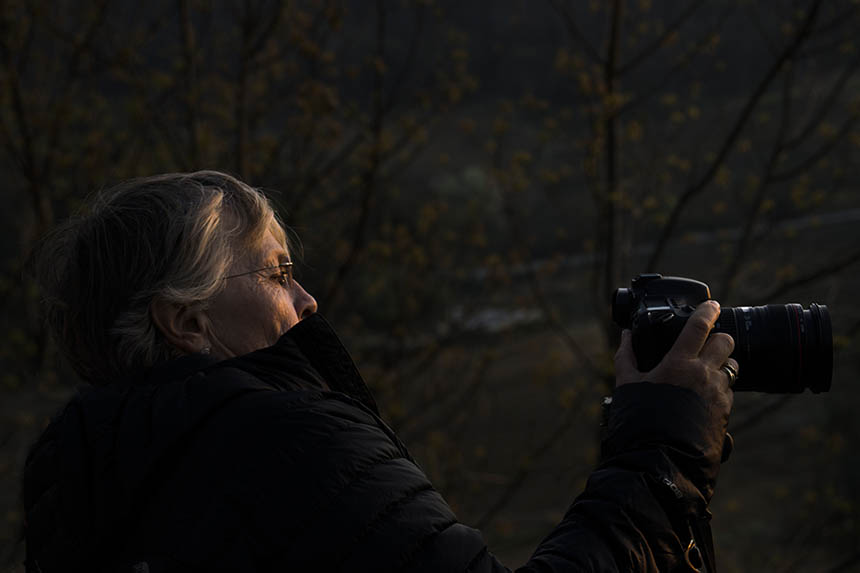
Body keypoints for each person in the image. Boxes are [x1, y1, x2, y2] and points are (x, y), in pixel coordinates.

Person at [22, 171, 736, 572]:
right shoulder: (281, 446)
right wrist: (659, 451)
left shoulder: (80, 476)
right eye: (278, 272)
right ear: (186, 322)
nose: (309, 299)